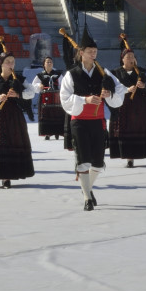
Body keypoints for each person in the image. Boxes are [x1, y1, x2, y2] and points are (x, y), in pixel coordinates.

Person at [61, 31, 125, 210]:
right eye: (89, 51)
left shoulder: (103, 72)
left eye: (95, 51)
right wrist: (85, 99)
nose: (93, 54)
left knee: (97, 162)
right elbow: (64, 99)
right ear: (81, 52)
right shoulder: (71, 74)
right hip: (79, 121)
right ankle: (88, 197)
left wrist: (109, 93)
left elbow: (120, 90)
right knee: (83, 160)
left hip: (98, 121)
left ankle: (86, 187)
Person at [0, 50, 36, 189]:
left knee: (12, 144)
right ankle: (3, 177)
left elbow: (31, 92)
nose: (11, 64)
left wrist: (18, 94)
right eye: (7, 62)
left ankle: (11, 174)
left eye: (12, 61)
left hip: (14, 118)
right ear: (1, 64)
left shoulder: (19, 79)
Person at [109, 47, 146, 167]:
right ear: (122, 59)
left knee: (137, 130)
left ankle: (138, 154)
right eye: (128, 57)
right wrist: (126, 89)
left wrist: (144, 84)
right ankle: (129, 158)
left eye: (132, 56)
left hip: (139, 107)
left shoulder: (142, 72)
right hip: (123, 107)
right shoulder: (115, 73)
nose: (130, 59)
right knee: (125, 131)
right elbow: (112, 87)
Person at [32, 57, 65, 141]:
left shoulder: (58, 74)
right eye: (47, 62)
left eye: (51, 62)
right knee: (46, 115)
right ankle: (47, 133)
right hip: (45, 99)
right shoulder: (40, 75)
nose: (49, 63)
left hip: (57, 98)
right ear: (44, 64)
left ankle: (58, 132)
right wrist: (39, 86)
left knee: (58, 114)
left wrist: (61, 92)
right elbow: (33, 85)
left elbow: (64, 85)